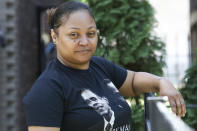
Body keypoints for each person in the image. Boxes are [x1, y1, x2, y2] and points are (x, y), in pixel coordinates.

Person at [23, 1, 186, 131]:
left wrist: (160, 82)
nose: (85, 42)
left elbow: (133, 81)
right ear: (54, 36)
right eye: (74, 35)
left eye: (91, 33)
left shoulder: (99, 66)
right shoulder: (47, 89)